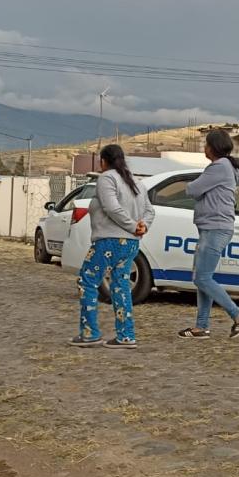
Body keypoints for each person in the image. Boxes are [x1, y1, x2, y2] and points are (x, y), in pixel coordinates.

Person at [72, 145, 155, 349]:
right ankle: (126, 335)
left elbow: (111, 208)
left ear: (103, 161)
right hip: (131, 244)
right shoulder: (136, 182)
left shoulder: (107, 178)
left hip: (109, 240)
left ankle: (90, 332)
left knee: (87, 281)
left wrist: (132, 225)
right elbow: (150, 210)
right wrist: (142, 226)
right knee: (121, 286)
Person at [179, 129, 239, 340]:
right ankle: (201, 326)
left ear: (214, 147)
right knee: (203, 278)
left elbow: (192, 190)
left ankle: (238, 314)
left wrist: (191, 185)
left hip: (215, 228)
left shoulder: (219, 167)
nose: (204, 148)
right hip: (212, 227)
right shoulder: (225, 166)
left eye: (206, 144)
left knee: (202, 278)